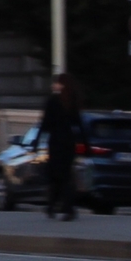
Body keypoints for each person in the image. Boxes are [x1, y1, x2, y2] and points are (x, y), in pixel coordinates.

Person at [39, 73, 85, 220]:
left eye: (56, 83)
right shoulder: (72, 101)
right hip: (68, 143)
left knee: (56, 176)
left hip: (56, 142)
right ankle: (58, 207)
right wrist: (85, 144)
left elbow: (45, 124)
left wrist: (36, 142)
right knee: (65, 175)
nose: (54, 85)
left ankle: (61, 207)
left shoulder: (52, 101)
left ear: (62, 85)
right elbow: (78, 124)